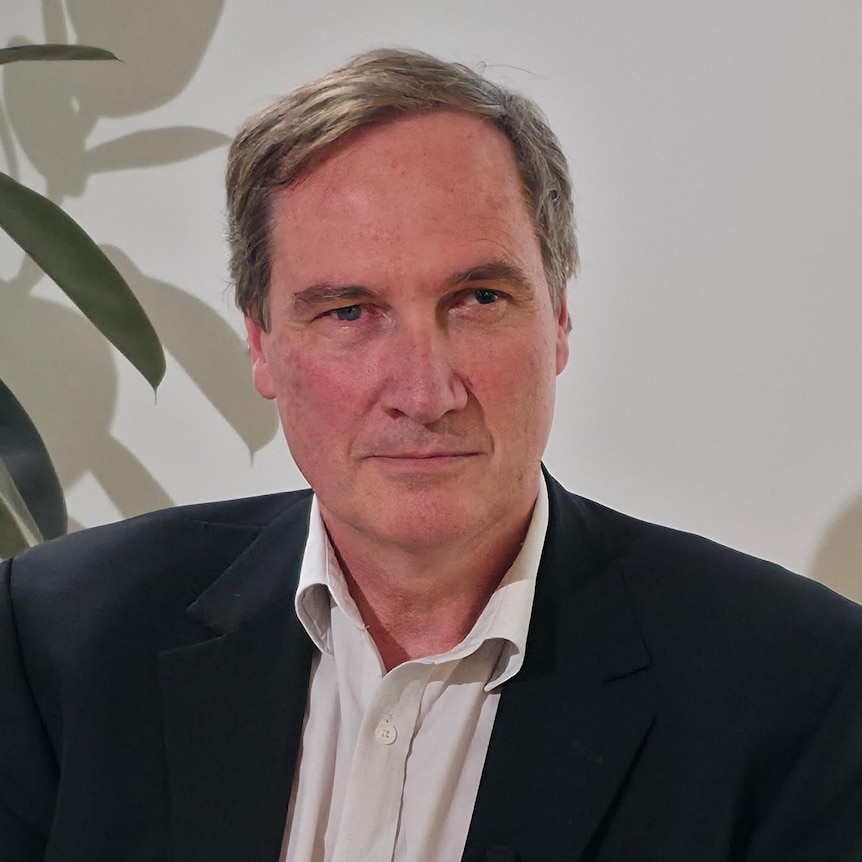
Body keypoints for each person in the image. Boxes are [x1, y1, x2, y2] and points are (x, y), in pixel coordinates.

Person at [1, 48, 861, 862]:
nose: (425, 389)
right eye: (348, 312)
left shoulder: (796, 686)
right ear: (261, 346)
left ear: (558, 321)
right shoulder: (61, 641)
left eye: (478, 297)